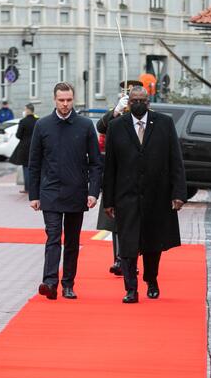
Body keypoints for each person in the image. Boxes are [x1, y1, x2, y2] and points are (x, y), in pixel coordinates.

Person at [103, 86, 187, 303]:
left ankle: (151, 279)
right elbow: (110, 166)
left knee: (152, 243)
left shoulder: (164, 123)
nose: (138, 104)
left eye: (142, 100)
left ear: (148, 102)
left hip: (156, 194)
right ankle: (130, 289)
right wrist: (108, 200)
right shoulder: (116, 126)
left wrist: (178, 193)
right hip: (126, 194)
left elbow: (175, 161)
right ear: (128, 103)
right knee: (128, 243)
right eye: (134, 100)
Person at [28, 82, 102, 300]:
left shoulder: (85, 125)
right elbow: (35, 162)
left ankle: (68, 283)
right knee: (52, 237)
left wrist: (93, 192)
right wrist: (34, 195)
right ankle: (50, 282)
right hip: (50, 191)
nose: (65, 104)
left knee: (71, 240)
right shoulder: (42, 125)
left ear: (73, 99)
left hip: (76, 191)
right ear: (54, 100)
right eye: (61, 100)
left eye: (69, 100)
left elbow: (96, 163)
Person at [96, 80, 143, 276]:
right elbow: (101, 127)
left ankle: (132, 258)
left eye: (132, 90)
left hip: (139, 173)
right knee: (115, 222)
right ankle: (118, 258)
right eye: (126, 90)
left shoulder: (143, 111)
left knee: (138, 222)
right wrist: (116, 111)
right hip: (118, 174)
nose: (129, 93)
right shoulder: (117, 112)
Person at [9, 103, 38, 194]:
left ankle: (27, 188)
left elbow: (18, 135)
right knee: (35, 168)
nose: (24, 111)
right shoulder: (38, 121)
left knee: (26, 168)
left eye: (25, 109)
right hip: (36, 146)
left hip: (25, 148)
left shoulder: (23, 121)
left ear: (28, 110)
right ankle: (35, 188)